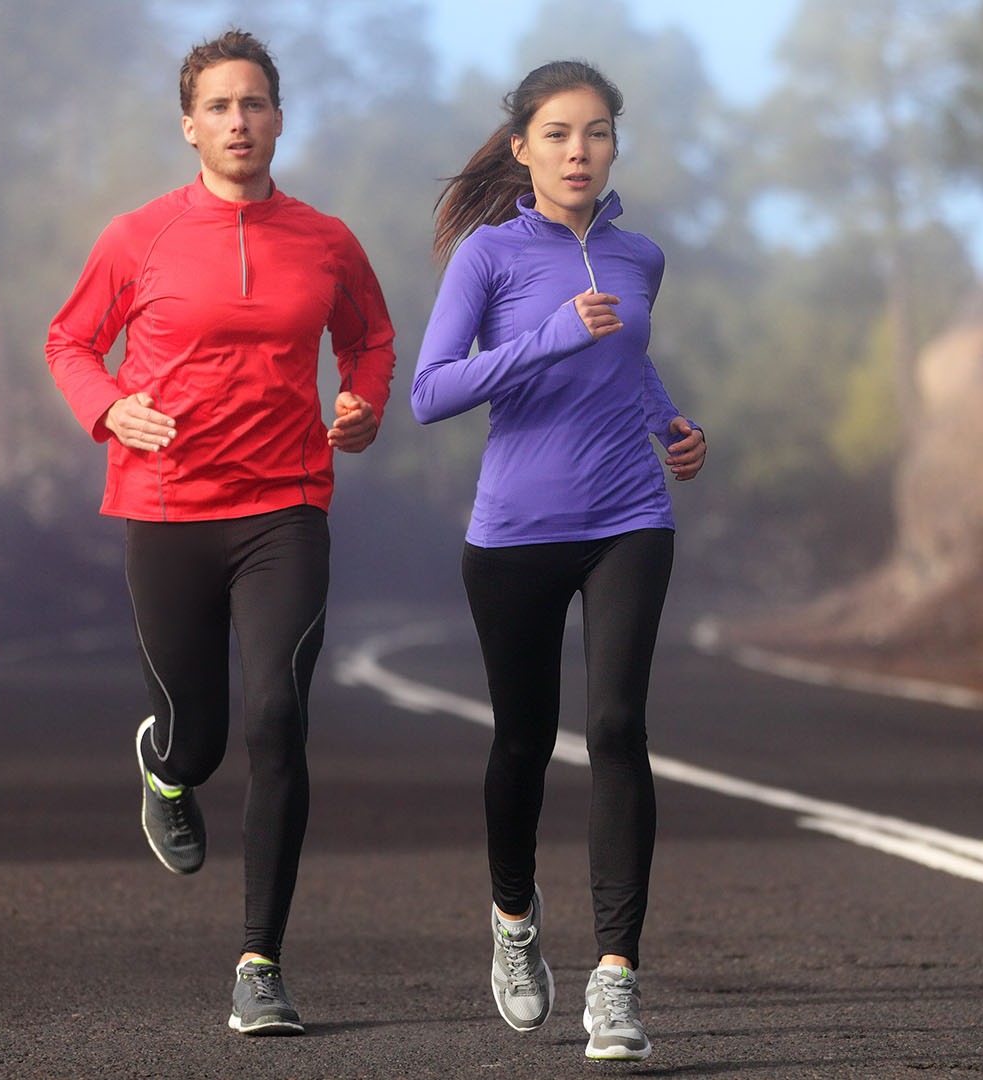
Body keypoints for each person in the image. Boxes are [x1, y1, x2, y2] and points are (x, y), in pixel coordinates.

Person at [44, 28, 395, 1037]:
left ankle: (260, 964)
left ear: (279, 119)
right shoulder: (138, 236)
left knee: (277, 717)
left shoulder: (325, 239)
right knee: (200, 737)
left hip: (286, 505)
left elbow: (369, 337)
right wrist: (108, 409)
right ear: (189, 124)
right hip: (165, 510)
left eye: (256, 104)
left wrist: (360, 401)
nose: (239, 121)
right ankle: (164, 763)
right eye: (220, 106)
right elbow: (70, 340)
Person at [411, 59, 707, 1063]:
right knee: (524, 745)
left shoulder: (642, 256)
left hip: (631, 514)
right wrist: (538, 339)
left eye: (597, 134)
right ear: (522, 148)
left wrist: (673, 424)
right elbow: (432, 393)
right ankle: (513, 920)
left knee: (618, 727)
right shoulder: (488, 260)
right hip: (515, 533)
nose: (580, 151)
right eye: (560, 134)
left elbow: (630, 362)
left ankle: (617, 980)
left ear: (615, 144)